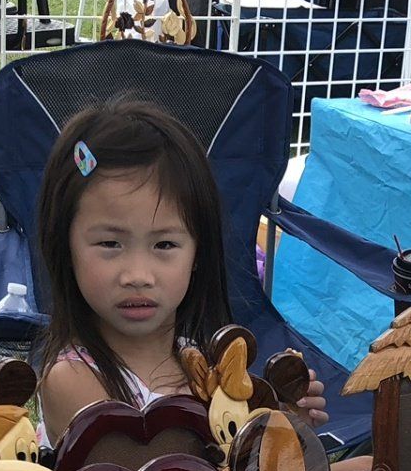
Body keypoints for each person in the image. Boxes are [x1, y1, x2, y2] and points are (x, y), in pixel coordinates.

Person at [33, 99, 329, 441]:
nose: (138, 275)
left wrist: (282, 428)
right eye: (110, 244)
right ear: (65, 248)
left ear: (197, 253)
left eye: (164, 246)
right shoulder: (74, 380)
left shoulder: (201, 361)